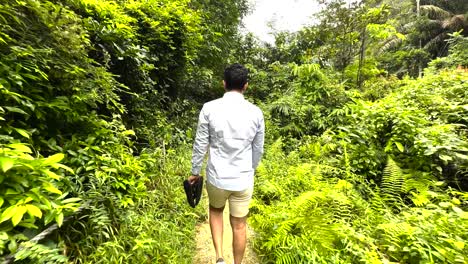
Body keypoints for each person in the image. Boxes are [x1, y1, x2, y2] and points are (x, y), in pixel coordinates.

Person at [188, 63, 265, 264]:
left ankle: (220, 258)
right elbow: (258, 149)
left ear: (224, 83)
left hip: (217, 177)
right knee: (240, 224)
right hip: (242, 179)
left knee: (215, 211)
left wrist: (195, 171)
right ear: (246, 85)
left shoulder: (209, 108)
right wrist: (251, 169)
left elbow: (200, 143)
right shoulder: (256, 113)